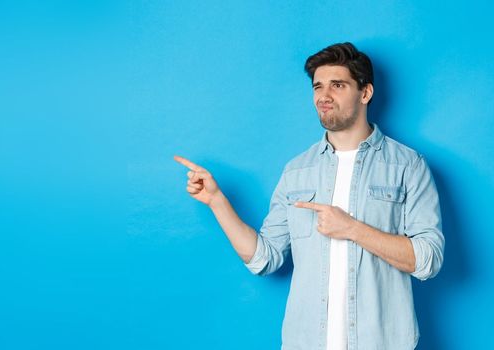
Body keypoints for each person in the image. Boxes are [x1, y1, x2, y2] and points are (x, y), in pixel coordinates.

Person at [173, 42, 444, 350]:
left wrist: (352, 229)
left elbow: (428, 259)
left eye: (337, 85)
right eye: (318, 87)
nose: (323, 97)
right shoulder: (297, 171)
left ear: (365, 93)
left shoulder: (408, 166)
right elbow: (264, 258)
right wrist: (217, 201)